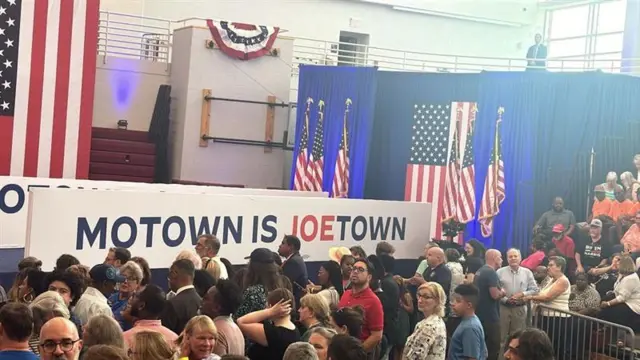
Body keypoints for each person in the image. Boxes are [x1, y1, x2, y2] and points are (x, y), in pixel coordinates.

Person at [337, 258, 384, 357]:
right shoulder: (346, 294)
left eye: (361, 270)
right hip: (341, 350)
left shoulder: (373, 301)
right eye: (354, 269)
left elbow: (376, 335)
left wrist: (357, 353)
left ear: (369, 277)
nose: (355, 271)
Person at [238, 288, 301, 360]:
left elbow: (241, 322)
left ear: (271, 306)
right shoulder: (294, 330)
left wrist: (270, 312)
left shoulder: (274, 333)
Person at [497, 249, 538, 355]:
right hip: (504, 308)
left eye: (515, 256)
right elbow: (496, 290)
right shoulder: (499, 272)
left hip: (520, 309)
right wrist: (506, 300)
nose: (513, 258)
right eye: (510, 256)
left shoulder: (527, 272)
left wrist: (523, 294)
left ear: (520, 258)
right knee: (501, 338)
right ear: (507, 259)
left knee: (518, 338)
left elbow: (535, 289)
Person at [123, 285, 178, 349]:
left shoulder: (125, 339)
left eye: (134, 296)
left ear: (141, 306)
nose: (130, 299)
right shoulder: (174, 339)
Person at [403, 282, 447, 360]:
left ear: (438, 300)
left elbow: (415, 357)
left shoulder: (428, 326)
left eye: (426, 297)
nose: (420, 300)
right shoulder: (437, 321)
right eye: (419, 295)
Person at [200, 280, 245, 356]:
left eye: (206, 298)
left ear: (217, 307)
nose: (201, 301)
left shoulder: (215, 331)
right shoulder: (236, 328)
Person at [598, 254, 640, 332]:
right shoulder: (622, 274)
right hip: (624, 300)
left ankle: (620, 338)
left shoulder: (631, 278)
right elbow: (617, 289)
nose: (616, 264)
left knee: (611, 311)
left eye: (618, 263)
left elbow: (622, 298)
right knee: (604, 299)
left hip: (632, 305)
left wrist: (608, 303)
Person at [474, 249, 504, 360]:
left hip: (480, 314)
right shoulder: (491, 272)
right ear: (495, 258)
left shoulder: (480, 271)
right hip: (491, 317)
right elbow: (495, 295)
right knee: (493, 348)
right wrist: (503, 292)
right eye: (500, 257)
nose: (501, 260)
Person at [162, 259, 202, 334]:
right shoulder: (201, 301)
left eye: (169, 276)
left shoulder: (171, 304)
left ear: (174, 274)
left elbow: (165, 336)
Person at [448, 284, 487, 360]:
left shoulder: (470, 327)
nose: (453, 304)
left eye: (458, 301)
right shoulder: (468, 321)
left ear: (469, 305)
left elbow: (473, 357)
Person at [109, 261, 143, 330]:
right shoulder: (111, 297)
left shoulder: (136, 303)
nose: (125, 281)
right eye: (123, 277)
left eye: (130, 279)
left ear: (138, 283)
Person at [279, 235, 309, 303]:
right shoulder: (295, 259)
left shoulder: (293, 262)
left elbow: (285, 285)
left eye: (283, 243)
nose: (279, 246)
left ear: (291, 247)